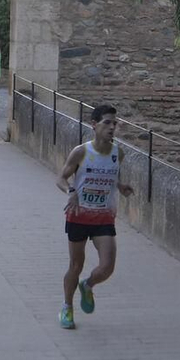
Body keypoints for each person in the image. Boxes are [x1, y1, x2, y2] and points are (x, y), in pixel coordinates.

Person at [55, 104, 135, 330]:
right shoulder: (81, 151)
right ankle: (67, 307)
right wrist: (71, 192)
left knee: (107, 266)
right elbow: (61, 178)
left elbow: (109, 175)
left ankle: (88, 286)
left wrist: (120, 186)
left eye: (114, 123)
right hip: (79, 216)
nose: (112, 127)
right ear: (94, 125)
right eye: (107, 123)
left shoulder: (118, 153)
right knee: (76, 265)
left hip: (103, 217)